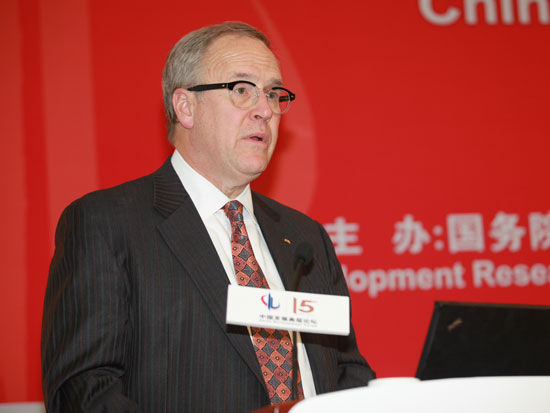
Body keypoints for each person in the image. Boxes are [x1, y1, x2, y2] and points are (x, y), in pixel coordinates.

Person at [41, 22, 375, 412]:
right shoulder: (106, 224)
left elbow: (348, 371)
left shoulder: (305, 236)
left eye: (272, 93)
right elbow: (82, 391)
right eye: (242, 90)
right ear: (185, 107)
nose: (265, 110)